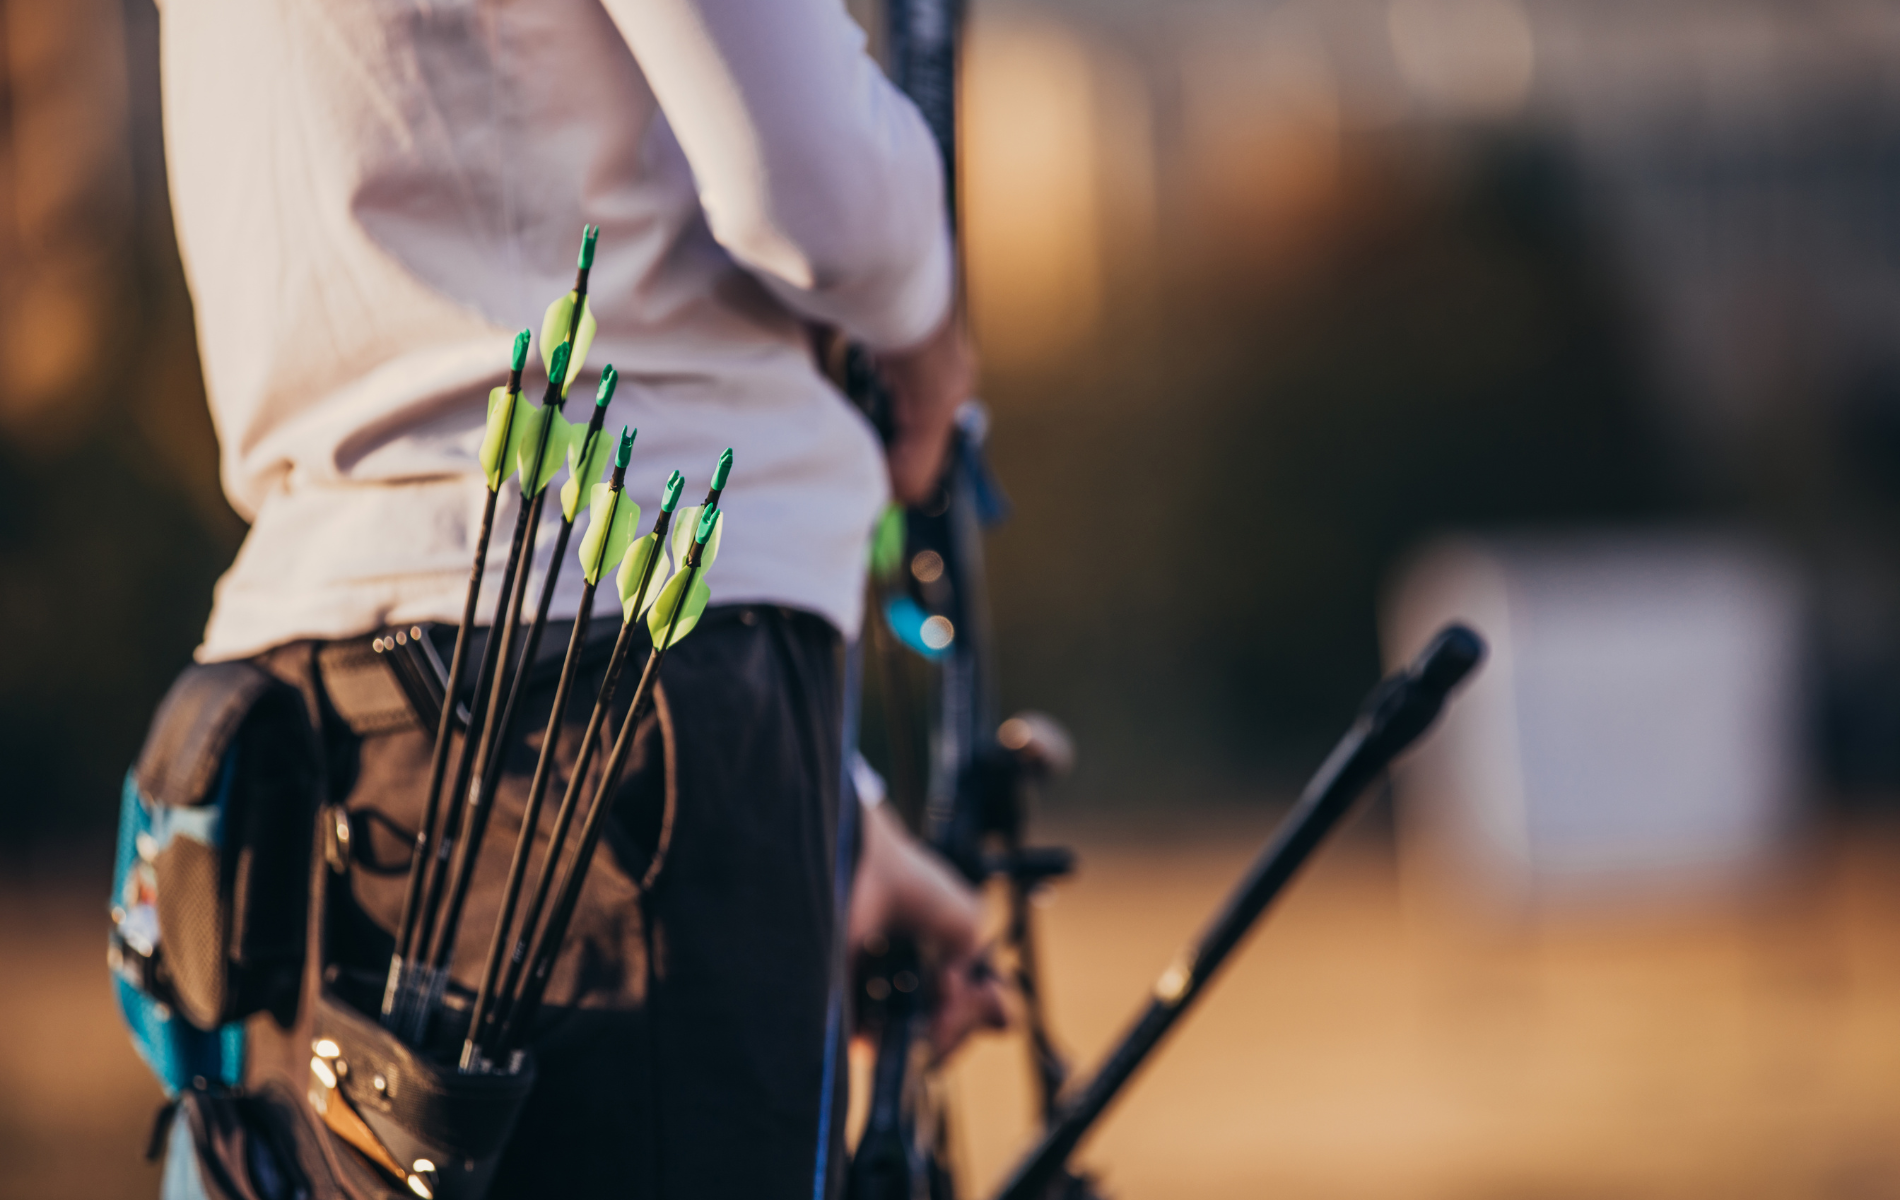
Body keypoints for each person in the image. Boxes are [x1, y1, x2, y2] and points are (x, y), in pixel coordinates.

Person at [153, 0, 1004, 1193]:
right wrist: (927, 329)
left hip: (308, 715)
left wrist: (841, 822)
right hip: (621, 698)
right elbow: (803, 179)